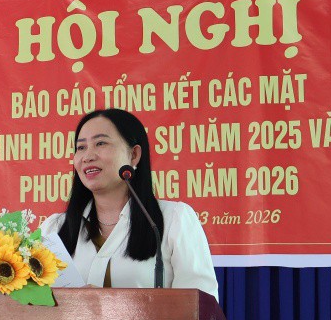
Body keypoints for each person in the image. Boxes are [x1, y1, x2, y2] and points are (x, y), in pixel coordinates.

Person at [40, 108, 218, 299]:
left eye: (100, 143)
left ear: (134, 155)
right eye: (81, 147)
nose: (87, 156)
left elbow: (200, 307)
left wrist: (111, 305)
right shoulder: (54, 228)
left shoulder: (173, 220)